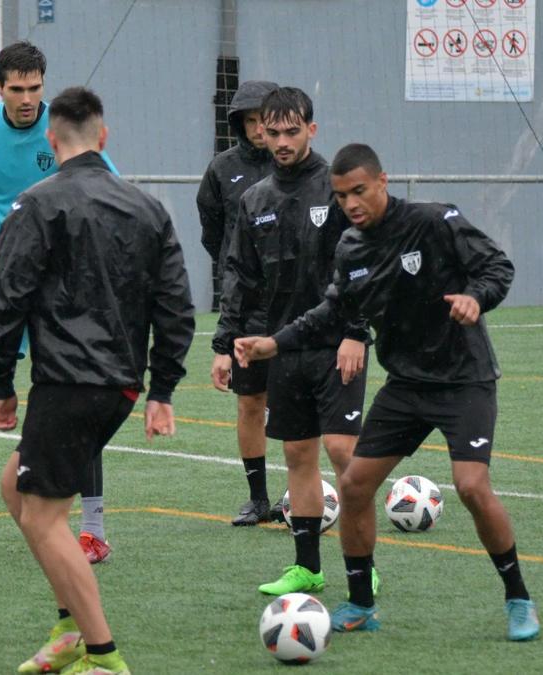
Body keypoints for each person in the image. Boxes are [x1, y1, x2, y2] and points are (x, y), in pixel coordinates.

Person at [235, 142, 538, 641]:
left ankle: (518, 598)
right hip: (406, 386)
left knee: (470, 486)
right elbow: (331, 312)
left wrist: (475, 299)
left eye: (359, 191)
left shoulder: (436, 221)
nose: (351, 204)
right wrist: (274, 343)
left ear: (382, 181)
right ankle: (360, 603)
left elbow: (497, 267)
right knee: (354, 485)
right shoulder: (351, 248)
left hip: (464, 378)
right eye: (340, 196)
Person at [0, 87, 195, 675]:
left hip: (68, 384)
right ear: (104, 138)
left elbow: (7, 301)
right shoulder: (149, 208)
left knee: (45, 517)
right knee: (15, 489)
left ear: (51, 142)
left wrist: (1, 383)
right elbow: (175, 307)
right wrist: (162, 390)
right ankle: (67, 628)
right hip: (119, 388)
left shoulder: (35, 204)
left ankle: (101, 655)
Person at [0, 40, 115, 563]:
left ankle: (94, 528)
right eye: (17, 89)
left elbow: (107, 189)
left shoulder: (64, 128)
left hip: (63, 290)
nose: (27, 99)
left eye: (35, 88)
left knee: (75, 401)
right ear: (0, 87)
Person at [211, 87, 371, 596]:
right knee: (299, 456)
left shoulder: (336, 188)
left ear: (311, 130)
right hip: (283, 347)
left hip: (334, 345)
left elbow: (365, 263)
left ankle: (363, 564)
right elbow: (238, 275)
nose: (279, 140)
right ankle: (307, 567)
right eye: (271, 131)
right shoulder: (253, 200)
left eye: (290, 131)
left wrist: (355, 332)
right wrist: (224, 343)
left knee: (345, 452)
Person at [196, 79, 281, 526]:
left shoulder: (301, 169)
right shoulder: (221, 170)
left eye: (264, 120)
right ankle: (259, 498)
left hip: (295, 305)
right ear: (239, 123)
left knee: (301, 402)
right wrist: (236, 266)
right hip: (247, 306)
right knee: (251, 402)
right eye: (249, 120)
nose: (258, 129)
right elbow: (213, 232)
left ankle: (308, 494)